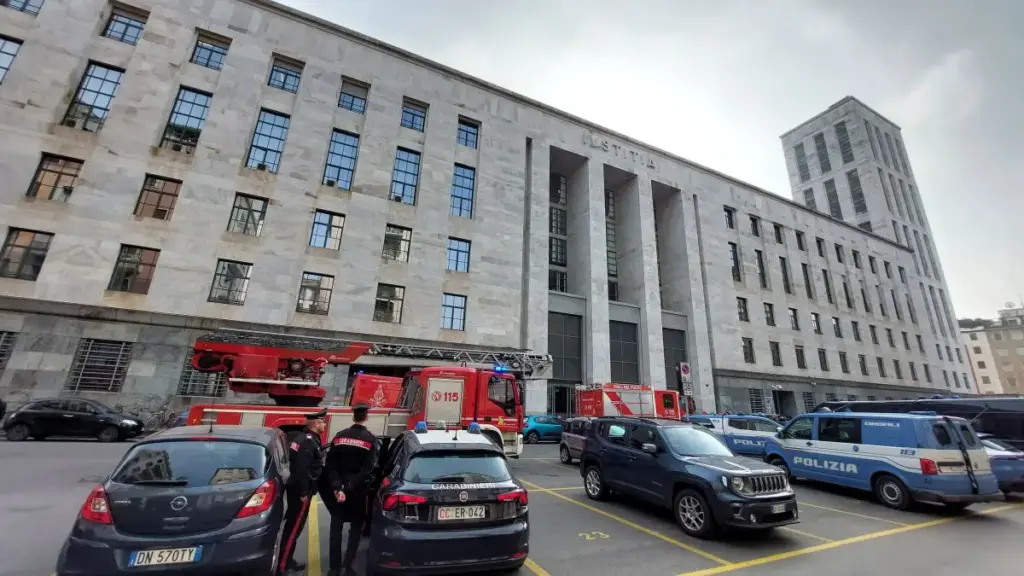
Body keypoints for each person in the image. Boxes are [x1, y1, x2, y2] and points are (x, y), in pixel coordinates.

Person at [322, 404, 380, 576]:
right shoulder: (370, 440)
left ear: (353, 416)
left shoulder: (339, 437)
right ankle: (348, 566)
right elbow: (368, 469)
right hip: (357, 490)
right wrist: (349, 487)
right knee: (356, 528)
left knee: (336, 527)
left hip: (337, 490)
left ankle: (334, 568)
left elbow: (330, 465)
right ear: (366, 417)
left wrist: (337, 487)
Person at [277, 409, 327, 575]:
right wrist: (304, 492)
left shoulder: (302, 438)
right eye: (323, 422)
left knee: (292, 526)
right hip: (301, 490)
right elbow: (302, 469)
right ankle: (283, 565)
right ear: (315, 424)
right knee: (294, 528)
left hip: (297, 488)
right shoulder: (308, 442)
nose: (324, 425)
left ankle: (287, 559)